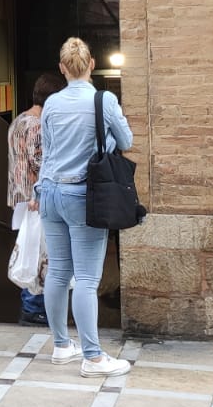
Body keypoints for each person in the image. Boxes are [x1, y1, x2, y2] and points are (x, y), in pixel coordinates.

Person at [37, 37, 133, 378]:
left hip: (49, 192)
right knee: (88, 280)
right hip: (82, 194)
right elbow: (127, 141)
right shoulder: (103, 100)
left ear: (63, 69)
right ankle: (92, 356)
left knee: (59, 272)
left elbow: (46, 149)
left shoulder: (51, 105)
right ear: (91, 64)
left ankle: (62, 345)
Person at [9, 72, 66, 326]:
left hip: (21, 197)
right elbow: (42, 162)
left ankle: (34, 307)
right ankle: (34, 309)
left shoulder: (19, 121)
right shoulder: (37, 126)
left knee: (31, 252)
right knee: (40, 255)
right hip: (36, 198)